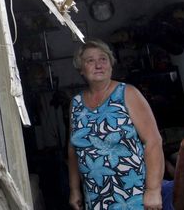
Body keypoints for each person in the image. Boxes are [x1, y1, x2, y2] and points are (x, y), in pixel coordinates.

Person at [68, 39, 164, 210]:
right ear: (81, 69)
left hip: (133, 192)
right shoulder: (76, 104)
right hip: (95, 195)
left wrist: (153, 190)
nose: (98, 65)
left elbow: (153, 141)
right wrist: (74, 190)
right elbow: (73, 150)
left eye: (103, 59)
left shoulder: (127, 93)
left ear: (111, 65)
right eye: (90, 60)